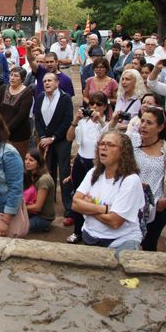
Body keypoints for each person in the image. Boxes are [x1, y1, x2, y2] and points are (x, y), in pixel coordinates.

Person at [72, 131, 145, 255]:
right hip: (90, 238)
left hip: (119, 242)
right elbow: (75, 204)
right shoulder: (93, 172)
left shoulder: (130, 180)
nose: (104, 147)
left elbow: (115, 221)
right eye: (102, 144)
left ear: (123, 152)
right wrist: (106, 209)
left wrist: (87, 208)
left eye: (110, 145)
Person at [130, 106, 166, 251]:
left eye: (149, 123)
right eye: (142, 121)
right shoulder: (133, 141)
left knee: (148, 247)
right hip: (131, 204)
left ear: (160, 127)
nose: (143, 126)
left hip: (155, 208)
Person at [66, 92, 108, 243]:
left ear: (104, 106)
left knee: (96, 197)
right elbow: (69, 138)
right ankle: (77, 230)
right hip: (81, 161)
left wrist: (101, 121)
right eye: (92, 104)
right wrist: (76, 120)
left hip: (97, 164)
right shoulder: (83, 122)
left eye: (99, 104)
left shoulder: (106, 123)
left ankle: (95, 230)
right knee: (78, 195)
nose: (95, 107)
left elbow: (109, 136)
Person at [34, 72, 74, 215]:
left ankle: (68, 207)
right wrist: (43, 136)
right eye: (44, 81)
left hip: (61, 141)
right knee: (47, 173)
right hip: (45, 141)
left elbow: (67, 120)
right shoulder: (39, 98)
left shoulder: (65, 98)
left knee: (64, 173)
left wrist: (54, 138)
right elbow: (37, 119)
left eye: (50, 80)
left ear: (57, 83)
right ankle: (47, 206)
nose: (46, 83)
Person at [0, 67, 33, 158]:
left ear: (22, 79)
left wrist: (6, 129)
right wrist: (0, 125)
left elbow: (21, 115)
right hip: (0, 131)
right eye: (11, 75)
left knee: (16, 160)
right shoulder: (3, 88)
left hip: (18, 134)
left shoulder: (27, 92)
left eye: (16, 76)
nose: (12, 78)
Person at [23, 148, 56, 233]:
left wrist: (18, 208)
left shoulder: (44, 180)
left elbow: (37, 207)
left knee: (17, 228)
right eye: (26, 159)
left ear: (38, 163)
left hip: (43, 218)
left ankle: (44, 226)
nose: (27, 162)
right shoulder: (31, 174)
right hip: (33, 214)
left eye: (31, 160)